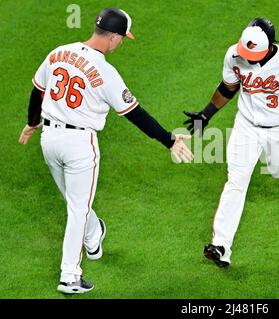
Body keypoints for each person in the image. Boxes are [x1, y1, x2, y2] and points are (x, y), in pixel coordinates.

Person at [19, 7, 193, 294]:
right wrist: (170, 140)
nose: (122, 42)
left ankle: (93, 235)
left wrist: (31, 123)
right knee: (77, 208)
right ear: (112, 36)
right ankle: (69, 276)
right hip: (79, 145)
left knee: (75, 202)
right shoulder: (106, 72)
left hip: (49, 139)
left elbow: (38, 90)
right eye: (122, 37)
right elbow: (136, 114)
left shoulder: (58, 52)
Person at [184, 18, 279, 268]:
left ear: (270, 47)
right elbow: (229, 87)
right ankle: (221, 246)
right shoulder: (234, 54)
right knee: (236, 181)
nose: (248, 58)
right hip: (245, 126)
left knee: (278, 170)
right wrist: (206, 114)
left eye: (254, 54)